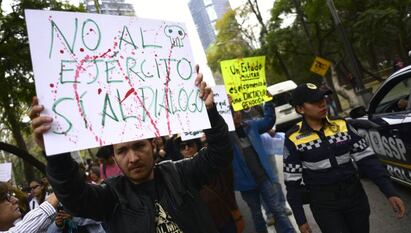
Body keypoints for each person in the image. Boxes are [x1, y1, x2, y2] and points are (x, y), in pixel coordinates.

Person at [30, 68, 233, 233]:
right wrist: (55, 153)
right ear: (115, 157)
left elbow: (219, 155)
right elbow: (73, 196)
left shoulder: (180, 173)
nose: (133, 158)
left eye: (139, 146)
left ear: (153, 145)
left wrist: (210, 114)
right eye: (122, 151)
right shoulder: (110, 196)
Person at [284, 83, 406, 233]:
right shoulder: (293, 138)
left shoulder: (341, 125)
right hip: (324, 205)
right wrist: (301, 220)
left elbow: (368, 161)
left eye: (322, 99)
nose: (322, 103)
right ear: (300, 109)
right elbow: (292, 183)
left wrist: (390, 192)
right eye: (315, 102)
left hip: (356, 198)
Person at [230, 99, 294, 233]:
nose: (236, 115)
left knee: (277, 209)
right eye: (231, 112)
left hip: (263, 177)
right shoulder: (225, 136)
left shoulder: (251, 125)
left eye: (237, 111)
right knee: (257, 215)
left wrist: (269, 101)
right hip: (246, 184)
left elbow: (269, 120)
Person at [174, 136, 241, 233]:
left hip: (223, 218)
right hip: (202, 225)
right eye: (182, 147)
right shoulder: (177, 173)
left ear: (196, 144)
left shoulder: (211, 163)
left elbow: (227, 185)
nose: (186, 148)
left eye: (189, 144)